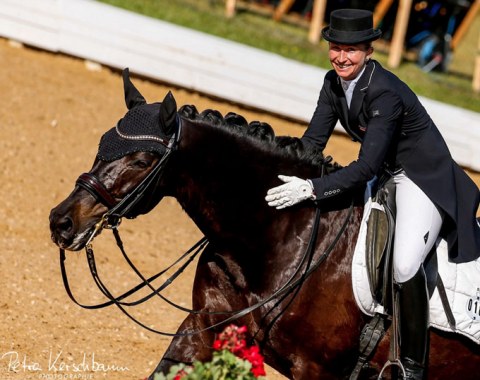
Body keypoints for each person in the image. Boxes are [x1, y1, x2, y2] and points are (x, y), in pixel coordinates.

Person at [265, 8, 480, 380]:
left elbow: (364, 166)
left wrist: (313, 188)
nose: (341, 57)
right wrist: (284, 175)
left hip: (421, 180)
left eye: (351, 50)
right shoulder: (333, 83)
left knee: (404, 263)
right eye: (335, 48)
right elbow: (312, 144)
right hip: (384, 175)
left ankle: (412, 364)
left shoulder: (385, 92)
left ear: (368, 51)